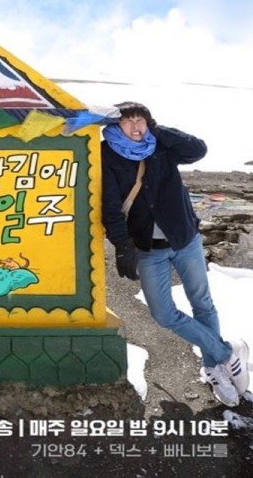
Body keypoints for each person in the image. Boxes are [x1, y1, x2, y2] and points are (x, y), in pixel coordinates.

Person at [101, 101, 249, 407]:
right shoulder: (106, 155)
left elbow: (197, 150)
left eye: (141, 120)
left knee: (202, 303)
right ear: (117, 126)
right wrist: (122, 247)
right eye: (128, 121)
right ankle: (227, 353)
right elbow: (110, 207)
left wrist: (160, 131)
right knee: (163, 314)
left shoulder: (160, 146)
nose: (136, 127)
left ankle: (214, 367)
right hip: (148, 248)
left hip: (184, 239)